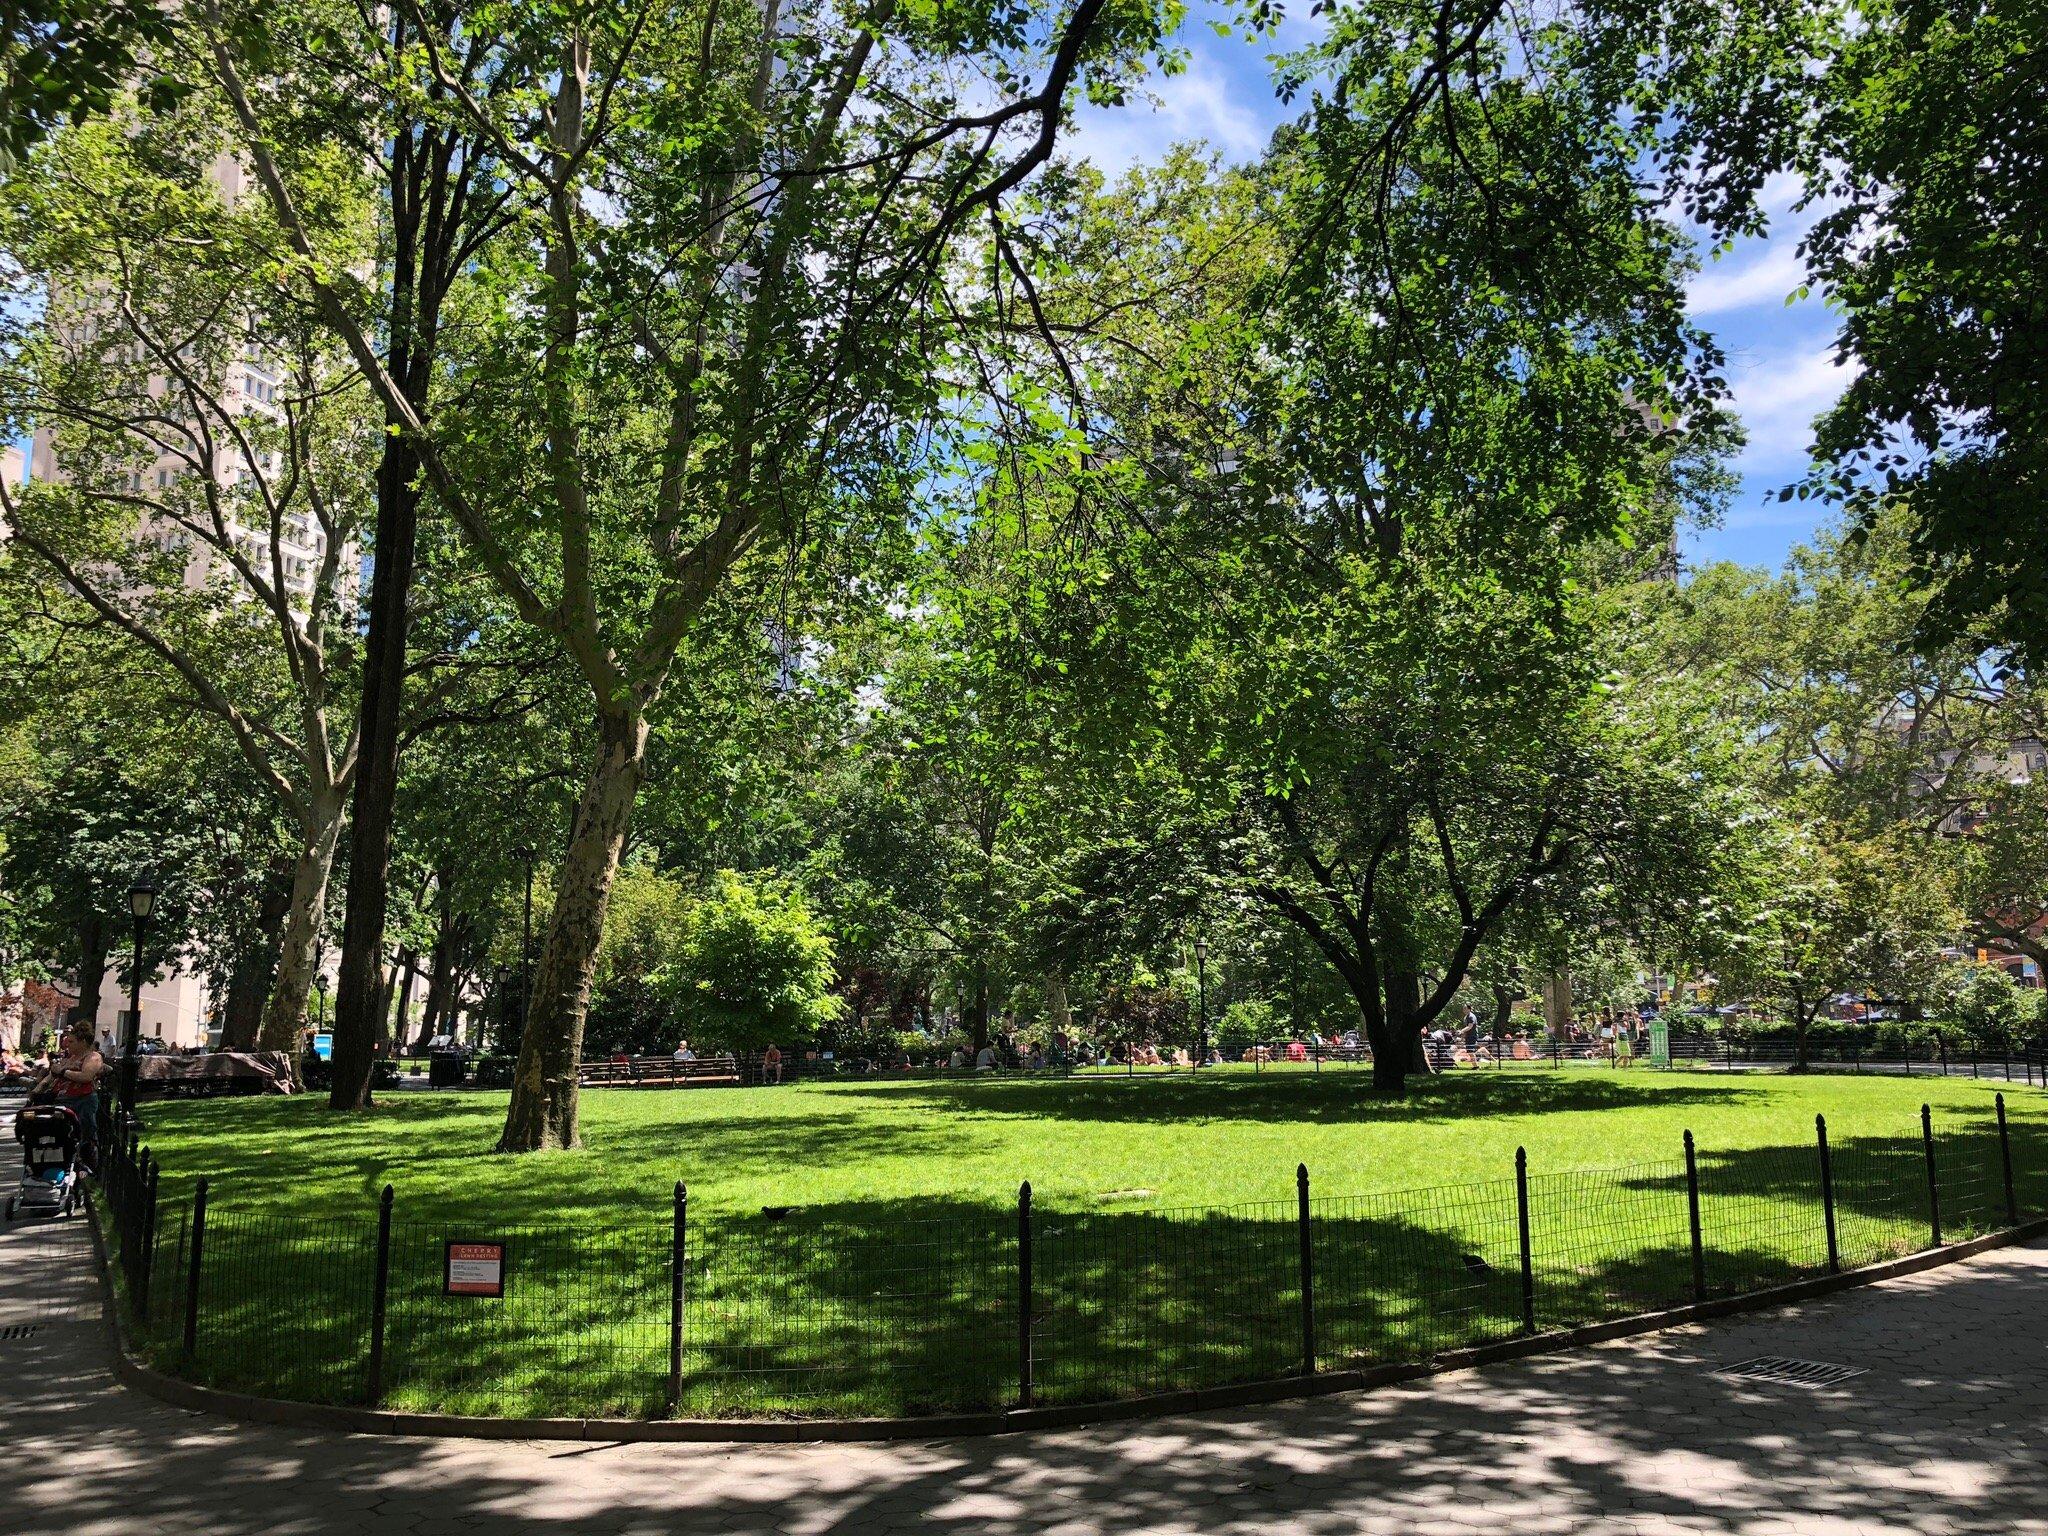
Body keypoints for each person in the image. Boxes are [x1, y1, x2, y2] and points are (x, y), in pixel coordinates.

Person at [29, 1022, 103, 1165]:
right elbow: (49, 1078)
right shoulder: (69, 1058)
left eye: (71, 1042)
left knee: (86, 1132)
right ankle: (60, 1159)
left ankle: (87, 1163)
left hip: (83, 1099)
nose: (67, 1045)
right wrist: (36, 1091)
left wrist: (63, 1071)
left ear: (82, 1042)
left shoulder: (93, 1057)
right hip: (63, 1099)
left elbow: (86, 1076)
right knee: (58, 1131)